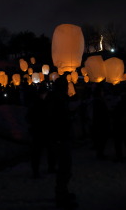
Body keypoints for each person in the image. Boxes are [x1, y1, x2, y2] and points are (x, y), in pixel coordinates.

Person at [45, 77, 78, 209]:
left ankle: (63, 192)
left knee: (65, 167)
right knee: (64, 167)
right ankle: (61, 196)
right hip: (59, 137)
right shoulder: (57, 100)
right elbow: (57, 119)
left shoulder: (55, 98)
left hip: (60, 136)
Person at [25, 84, 55, 178]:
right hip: (42, 130)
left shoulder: (35, 103)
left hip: (38, 130)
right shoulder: (42, 104)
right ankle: (47, 168)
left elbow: (29, 117)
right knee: (45, 150)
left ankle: (37, 170)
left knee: (38, 152)